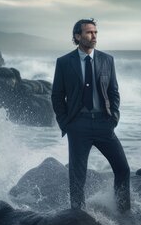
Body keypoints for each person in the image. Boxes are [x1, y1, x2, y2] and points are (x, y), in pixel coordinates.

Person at [51, 19, 130, 212]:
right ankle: (78, 214)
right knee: (77, 175)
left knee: (123, 169)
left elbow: (114, 92)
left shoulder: (107, 60)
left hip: (104, 123)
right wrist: (66, 123)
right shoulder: (64, 62)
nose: (94, 36)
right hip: (78, 125)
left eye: (95, 32)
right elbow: (57, 95)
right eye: (89, 33)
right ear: (77, 36)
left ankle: (124, 211)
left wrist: (114, 118)